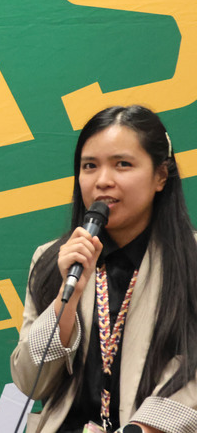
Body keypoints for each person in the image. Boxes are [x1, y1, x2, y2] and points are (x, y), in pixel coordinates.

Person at [10, 106, 197, 433]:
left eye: (122, 164)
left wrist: (142, 429)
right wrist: (66, 299)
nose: (103, 181)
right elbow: (31, 381)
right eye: (89, 166)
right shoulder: (53, 259)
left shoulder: (190, 257)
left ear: (161, 176)